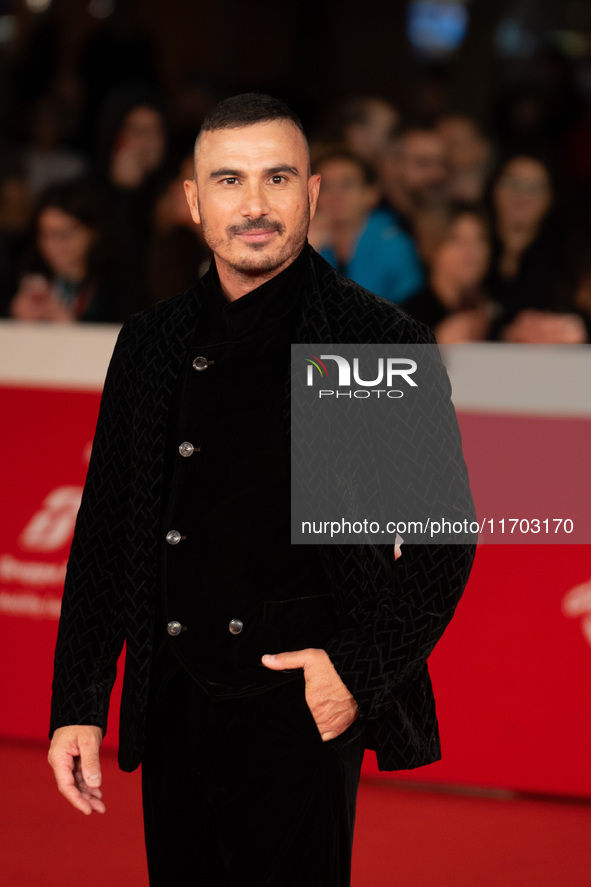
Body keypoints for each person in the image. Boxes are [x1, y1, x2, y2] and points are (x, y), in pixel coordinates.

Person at [48, 93, 475, 887]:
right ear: (192, 201)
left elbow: (442, 541)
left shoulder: (366, 338)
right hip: (172, 701)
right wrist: (78, 700)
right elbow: (105, 533)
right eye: (228, 181)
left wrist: (353, 672)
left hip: (296, 711)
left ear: (311, 193)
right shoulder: (150, 341)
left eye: (277, 178)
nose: (253, 206)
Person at [309, 148, 423, 303]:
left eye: (347, 185)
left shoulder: (394, 245)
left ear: (371, 194)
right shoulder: (306, 241)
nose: (335, 195)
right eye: (325, 187)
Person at [403, 204, 494, 343]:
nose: (470, 250)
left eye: (479, 240)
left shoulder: (497, 313)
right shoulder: (406, 319)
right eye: (455, 240)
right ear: (432, 245)